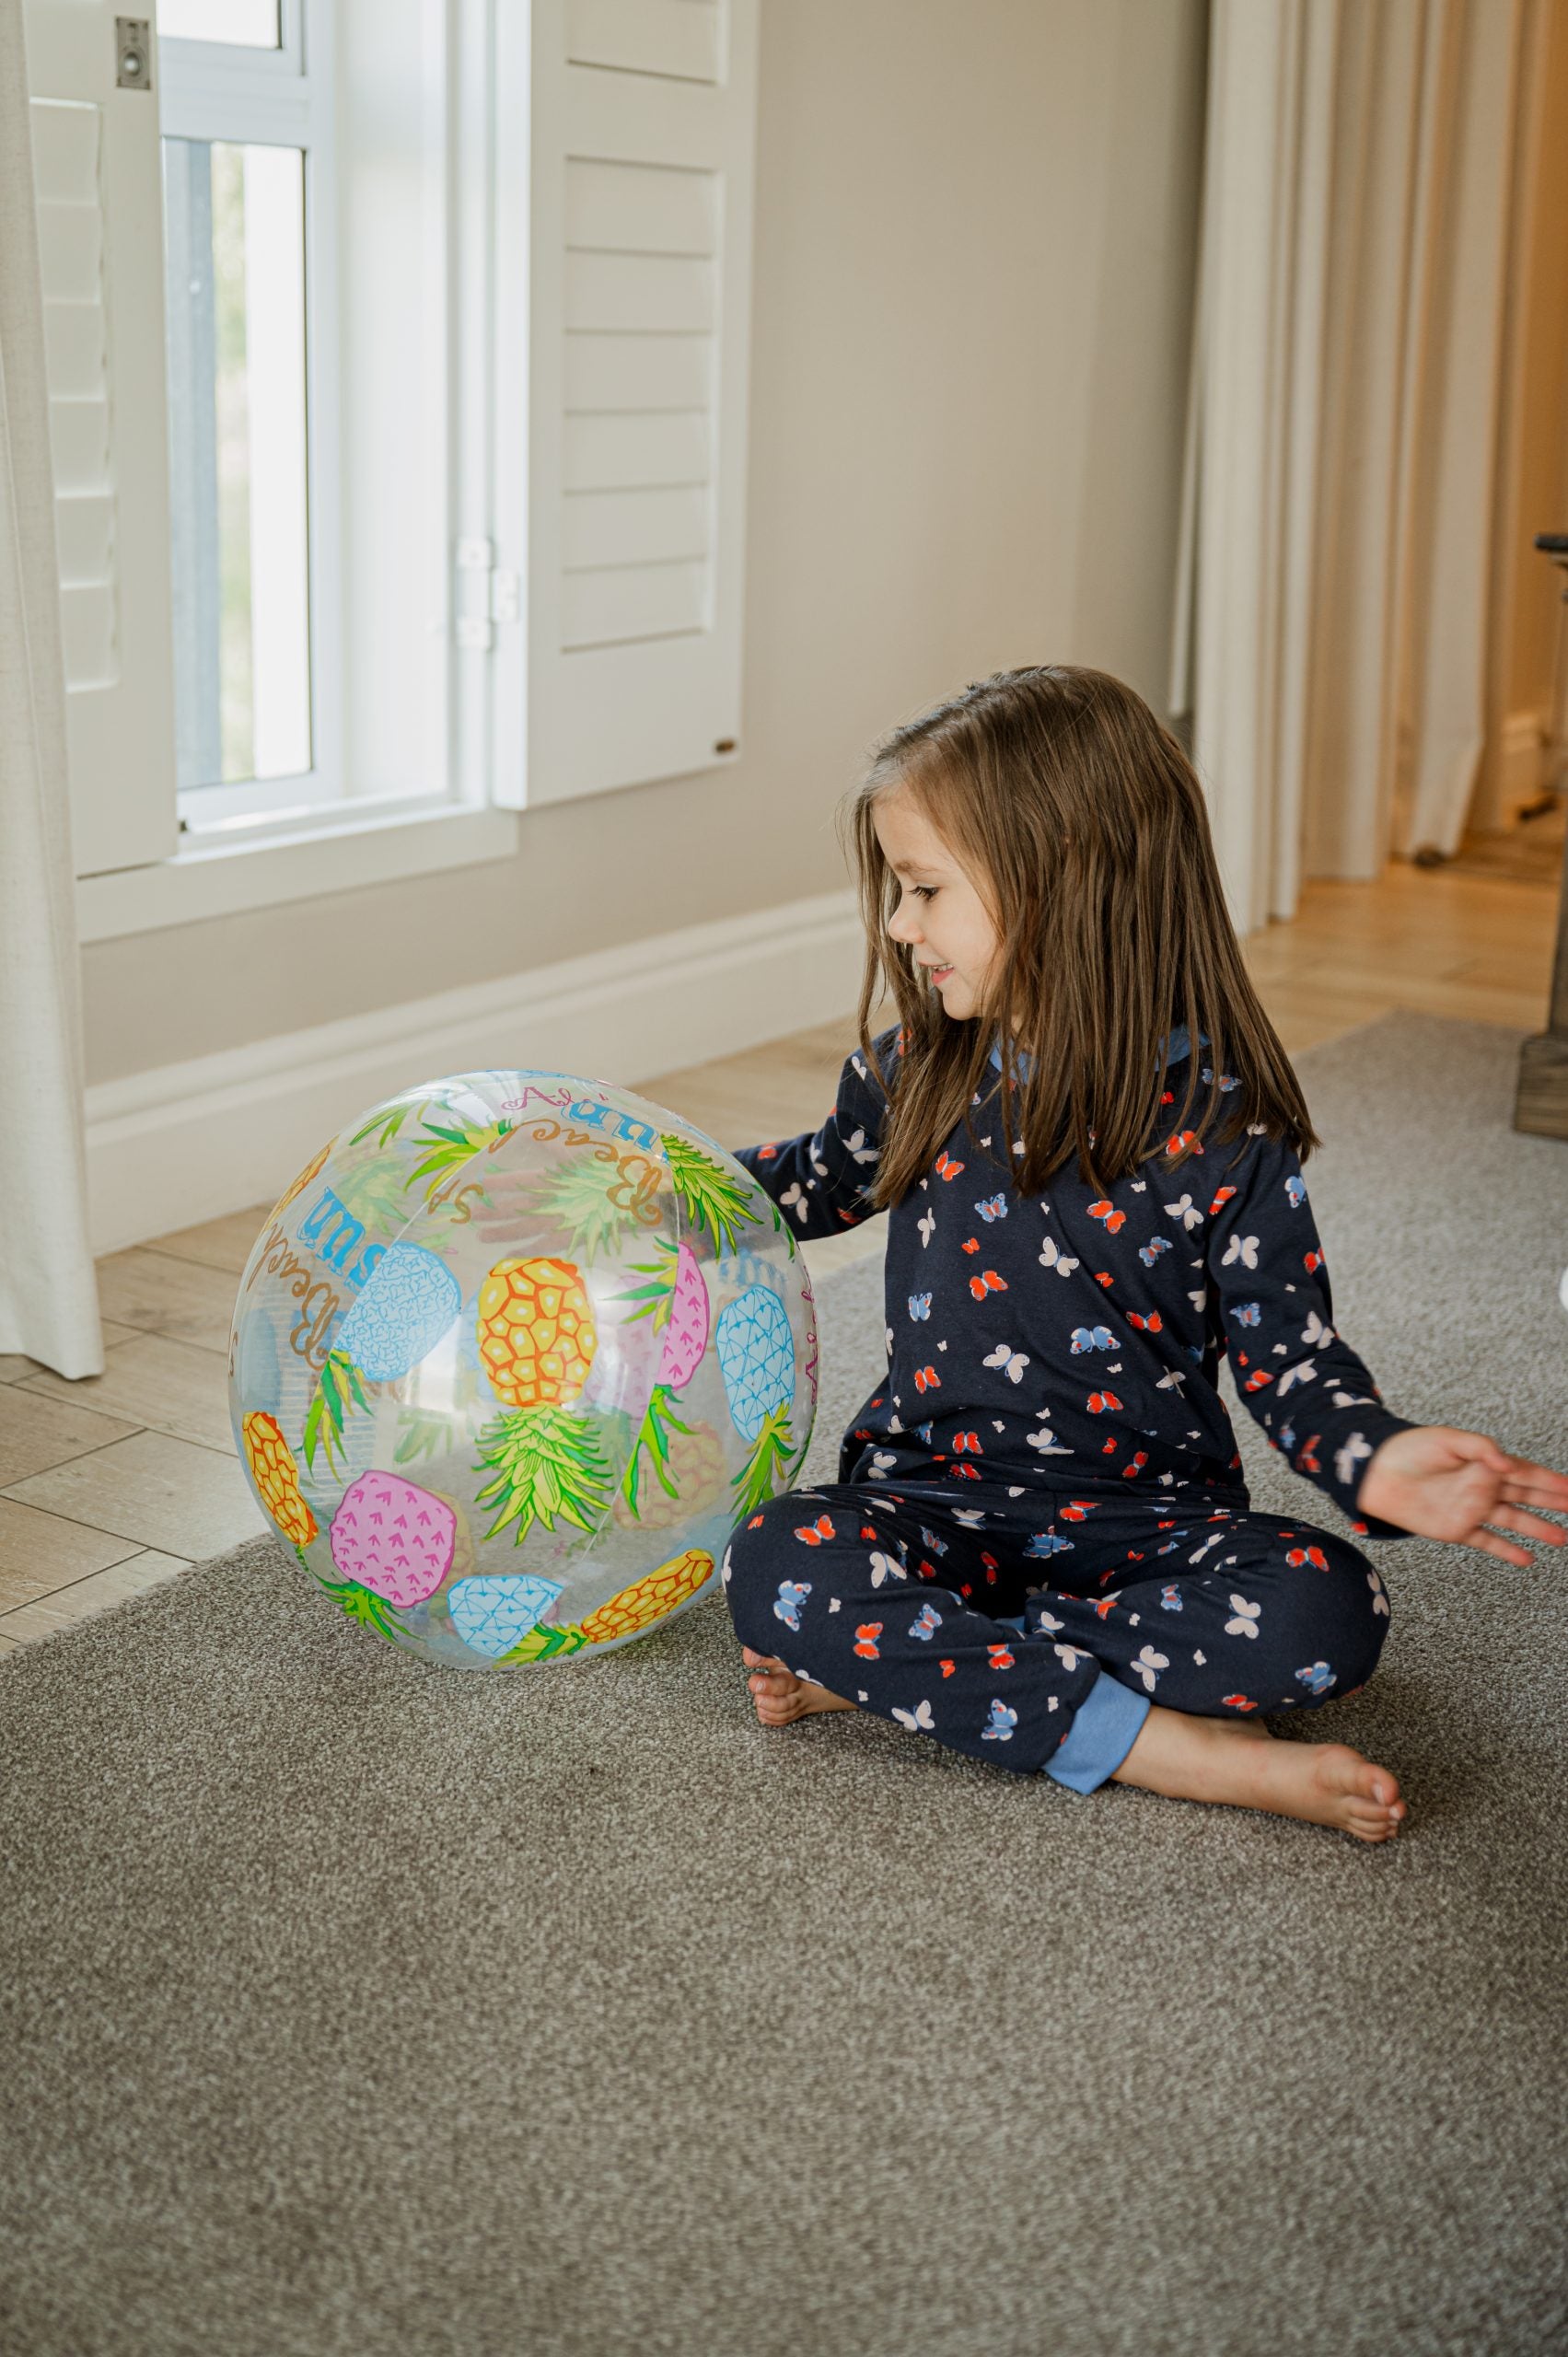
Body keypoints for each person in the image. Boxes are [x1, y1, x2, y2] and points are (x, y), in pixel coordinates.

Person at [722, 666, 1568, 1841]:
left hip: (1149, 1530)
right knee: (773, 1562)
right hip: (933, 1503)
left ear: (1059, 876)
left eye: (922, 889)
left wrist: (1373, 1457)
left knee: (1332, 1613)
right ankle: (1170, 1746)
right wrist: (647, 1175)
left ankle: (921, 1676)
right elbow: (805, 1183)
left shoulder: (1224, 1132)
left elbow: (1289, 1359)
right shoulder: (909, 1069)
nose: (899, 926)